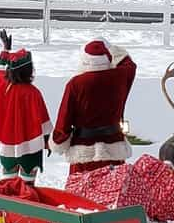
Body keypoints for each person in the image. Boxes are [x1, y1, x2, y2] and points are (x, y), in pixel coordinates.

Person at [50, 39, 137, 175]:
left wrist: (57, 141)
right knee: (113, 191)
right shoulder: (120, 76)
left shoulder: (75, 84)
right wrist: (111, 47)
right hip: (114, 147)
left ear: (85, 61)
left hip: (83, 151)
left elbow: (64, 119)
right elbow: (129, 64)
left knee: (81, 192)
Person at [0, 30, 52, 184]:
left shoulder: (1, 82)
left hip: (5, 144)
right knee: (27, 186)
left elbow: (0, 67)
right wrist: (48, 141)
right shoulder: (32, 93)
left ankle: (7, 207)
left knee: (8, 184)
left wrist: (5, 49)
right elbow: (42, 121)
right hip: (29, 147)